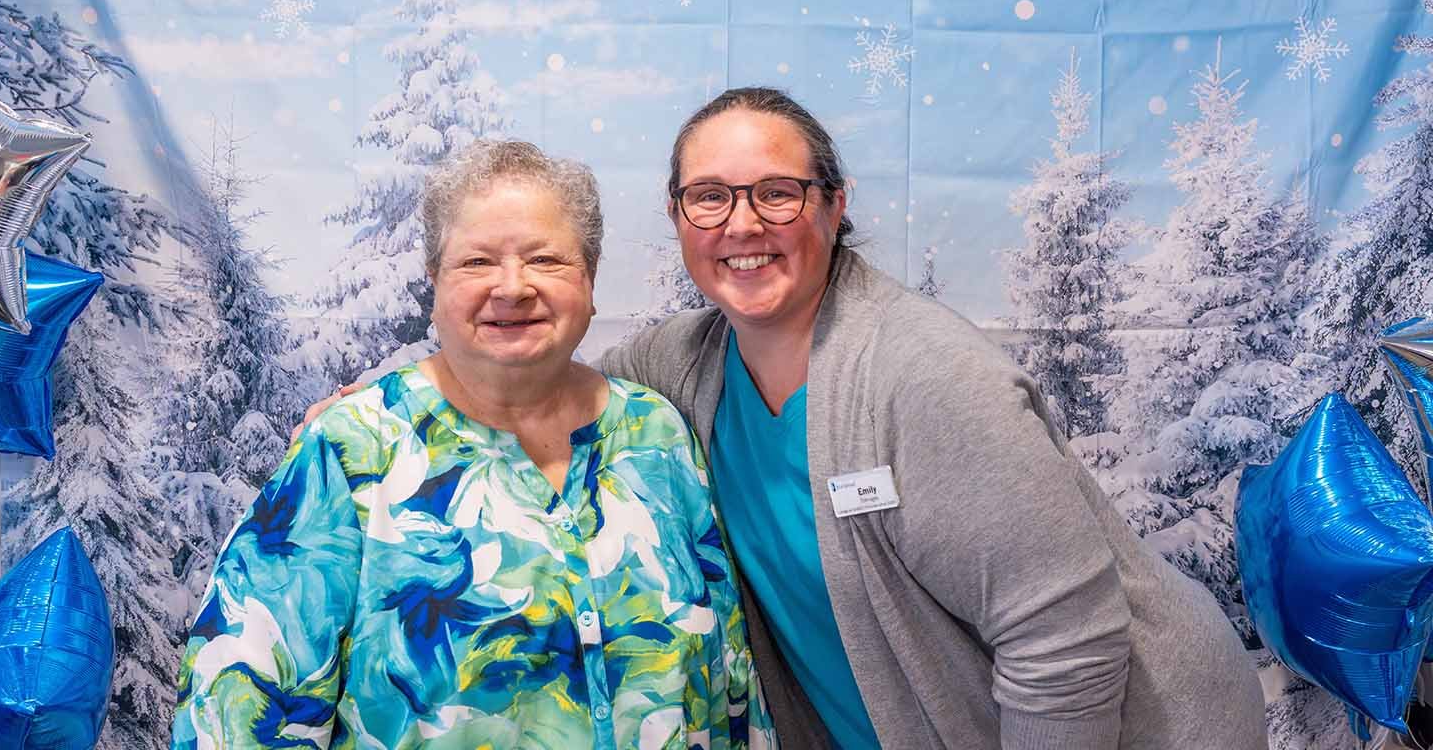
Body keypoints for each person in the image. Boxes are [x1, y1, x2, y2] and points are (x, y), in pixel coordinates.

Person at [302, 88, 1269, 749]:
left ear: (834, 207)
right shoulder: (678, 372)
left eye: (777, 193)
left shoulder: (926, 377)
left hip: (1138, 726)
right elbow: (537, 370)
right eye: (709, 198)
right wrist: (399, 402)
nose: (743, 224)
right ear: (678, 219)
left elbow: (1067, 647)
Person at [174, 140, 776, 749]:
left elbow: (730, 680)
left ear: (590, 279)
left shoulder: (655, 433)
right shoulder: (354, 449)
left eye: (545, 259)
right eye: (477, 262)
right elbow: (233, 713)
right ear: (434, 281)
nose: (512, 287)